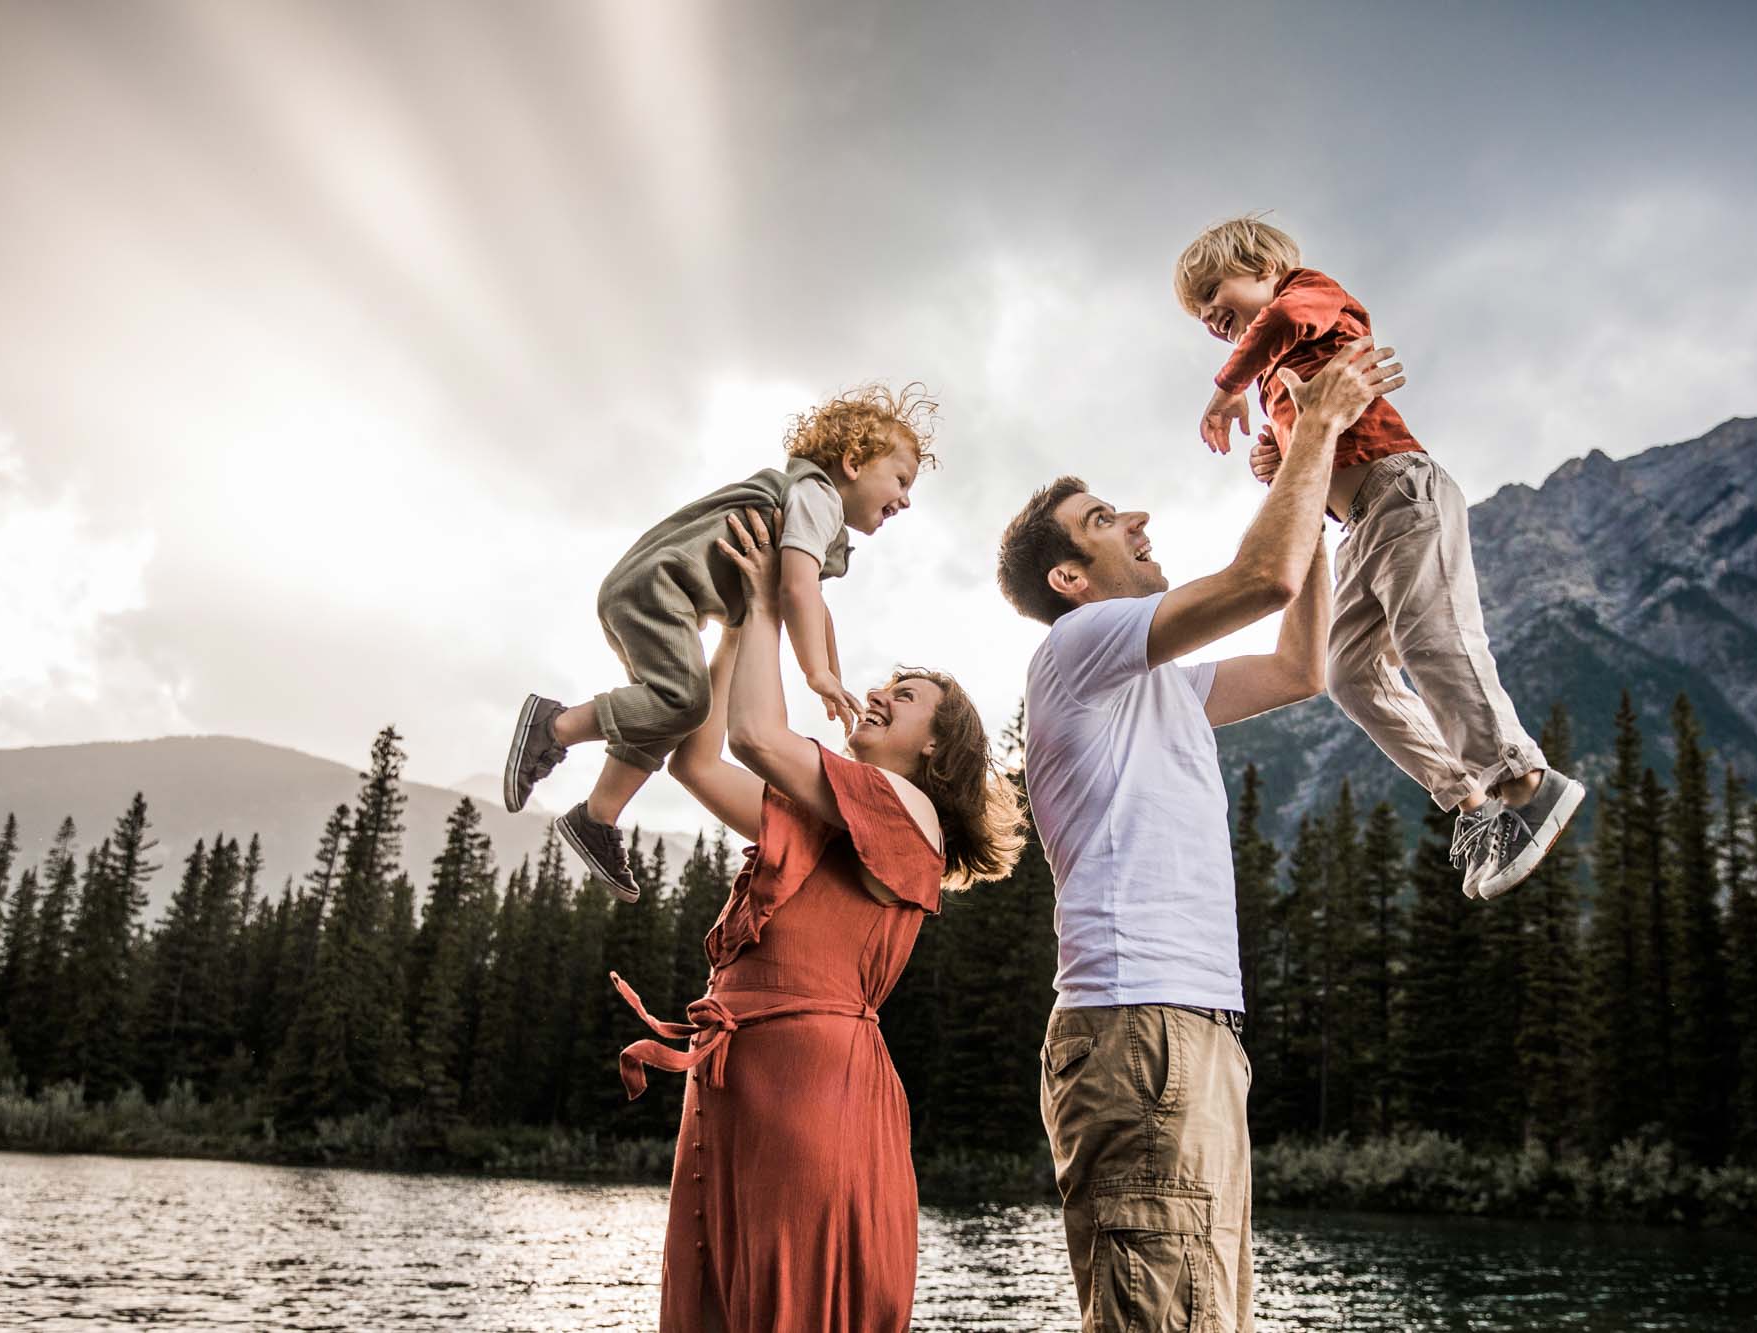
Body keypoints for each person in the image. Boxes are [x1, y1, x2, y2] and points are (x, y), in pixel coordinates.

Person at [997, 338, 1401, 1332]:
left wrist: (1303, 472)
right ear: (1069, 578)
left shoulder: (1153, 685)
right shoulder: (1075, 647)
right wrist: (1311, 434)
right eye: (1102, 521)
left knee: (1198, 1315)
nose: (1135, 519)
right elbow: (1260, 578)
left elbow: (1299, 662)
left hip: (1182, 1032)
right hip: (1143, 1029)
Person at [615, 508, 1025, 1332]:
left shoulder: (908, 808)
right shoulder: (831, 815)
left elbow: (758, 735)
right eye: (886, 685)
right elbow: (698, 759)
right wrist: (734, 621)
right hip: (737, 1082)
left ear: (936, 752)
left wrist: (770, 599)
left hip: (810, 1089)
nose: (877, 693)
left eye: (903, 698)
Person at [1176, 214, 1584, 898]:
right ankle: (1474, 802)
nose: (1210, 316)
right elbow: (1310, 453)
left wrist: (1225, 390)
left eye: (1213, 294)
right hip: (1358, 524)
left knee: (1434, 638)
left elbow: (1279, 322)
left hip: (1401, 488)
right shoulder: (1274, 372)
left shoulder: (1309, 295)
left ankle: (1524, 781)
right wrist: (1277, 453)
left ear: (1260, 267)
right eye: (1200, 314)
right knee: (1348, 671)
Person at [501, 384, 936, 901]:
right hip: (660, 589)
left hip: (662, 594)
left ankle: (599, 816)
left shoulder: (815, 518)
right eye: (901, 479)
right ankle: (555, 724)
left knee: (664, 709)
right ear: (853, 462)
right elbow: (795, 589)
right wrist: (813, 673)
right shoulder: (817, 498)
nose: (905, 499)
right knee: (682, 700)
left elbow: (815, 605)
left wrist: (831, 674)